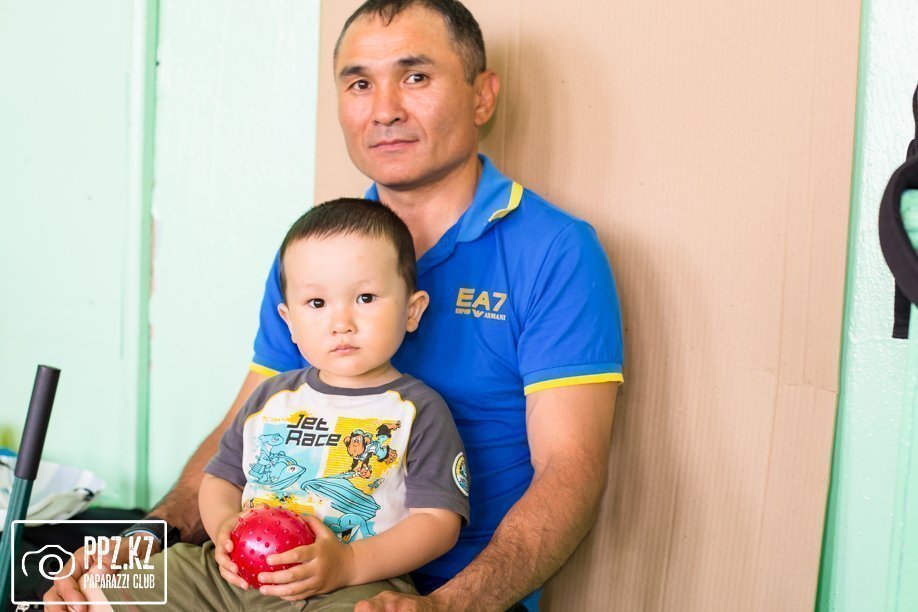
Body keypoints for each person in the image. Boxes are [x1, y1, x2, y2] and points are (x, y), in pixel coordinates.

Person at [45, 1, 624, 610]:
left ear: (482, 97)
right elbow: (247, 426)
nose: (384, 109)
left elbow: (570, 473)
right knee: (79, 597)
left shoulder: (555, 250)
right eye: (359, 84)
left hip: (422, 592)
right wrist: (138, 542)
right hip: (253, 576)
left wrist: (445, 607)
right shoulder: (316, 253)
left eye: (415, 76)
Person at [75, 198, 470, 610]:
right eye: (317, 303)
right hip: (231, 576)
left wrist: (350, 564)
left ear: (412, 310)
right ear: (289, 321)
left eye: (366, 298)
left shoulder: (417, 411)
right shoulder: (272, 398)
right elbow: (220, 480)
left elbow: (438, 522)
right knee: (105, 591)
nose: (341, 323)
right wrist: (224, 527)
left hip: (348, 584)